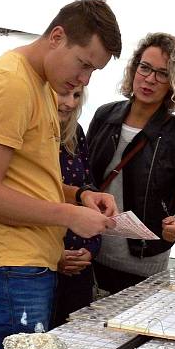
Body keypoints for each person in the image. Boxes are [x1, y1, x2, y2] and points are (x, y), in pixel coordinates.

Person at [0, 0, 122, 349]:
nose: (83, 79)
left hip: (23, 266)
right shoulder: (11, 85)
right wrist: (70, 216)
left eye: (93, 72)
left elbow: (28, 180)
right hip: (6, 268)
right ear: (57, 36)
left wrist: (79, 196)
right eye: (83, 63)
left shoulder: (39, 84)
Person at [86, 32, 175, 294]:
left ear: (173, 83)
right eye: (145, 68)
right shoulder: (105, 116)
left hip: (145, 263)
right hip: (93, 251)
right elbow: (83, 177)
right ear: (134, 69)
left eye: (162, 74)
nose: (150, 79)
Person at [51, 85, 101, 327]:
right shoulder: (31, 132)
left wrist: (90, 248)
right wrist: (53, 255)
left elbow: (87, 186)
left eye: (77, 95)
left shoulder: (75, 133)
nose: (69, 102)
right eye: (63, 93)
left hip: (79, 259)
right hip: (43, 261)